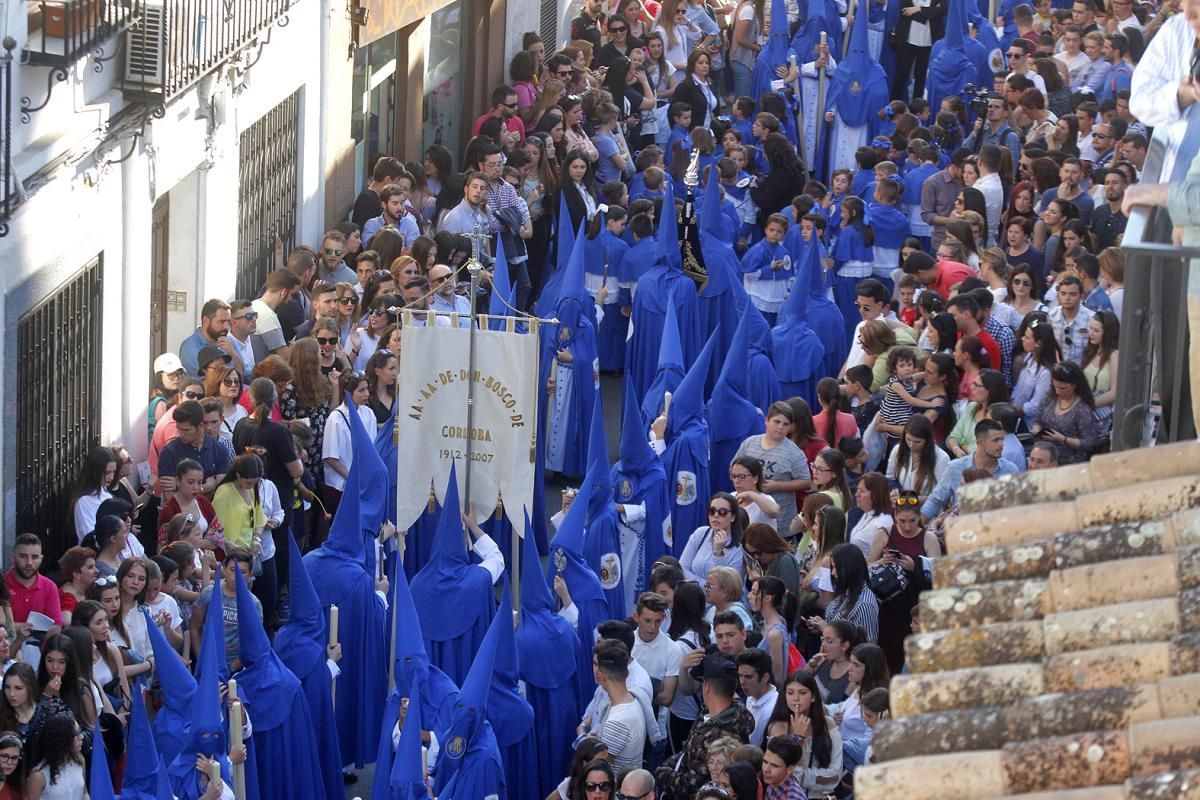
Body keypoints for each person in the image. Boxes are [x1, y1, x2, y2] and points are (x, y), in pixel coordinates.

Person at [659, 654, 755, 800]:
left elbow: (692, 786)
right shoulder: (709, 714)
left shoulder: (720, 734)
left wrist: (661, 773)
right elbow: (685, 753)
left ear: (707, 687)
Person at [733, 402, 812, 534]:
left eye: (785, 424)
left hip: (781, 521)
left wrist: (778, 486)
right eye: (777, 422)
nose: (780, 427)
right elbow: (733, 468)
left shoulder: (794, 452)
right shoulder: (749, 443)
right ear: (767, 421)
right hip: (749, 518)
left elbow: (806, 482)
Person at [921, 419, 1021, 521]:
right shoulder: (955, 467)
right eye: (996, 440)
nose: (1002, 445)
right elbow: (935, 500)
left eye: (1002, 439)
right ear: (981, 442)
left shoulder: (1011, 470)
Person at [805, 543, 878, 643]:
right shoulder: (846, 591)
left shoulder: (864, 604)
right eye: (832, 567)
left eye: (836, 568)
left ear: (849, 568)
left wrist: (826, 629)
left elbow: (866, 647)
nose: (833, 573)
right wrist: (820, 626)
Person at [1033, 362, 1102, 464]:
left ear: (1074, 385)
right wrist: (1037, 431)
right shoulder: (1050, 398)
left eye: (1063, 388)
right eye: (1055, 387)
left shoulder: (1082, 410)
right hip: (1045, 458)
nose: (1058, 391)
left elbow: (1089, 442)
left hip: (1069, 462)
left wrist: (1063, 439)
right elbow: (1037, 420)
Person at [679, 493, 745, 584]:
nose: (716, 515)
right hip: (693, 595)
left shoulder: (739, 549)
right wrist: (706, 586)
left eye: (722, 512)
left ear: (733, 517)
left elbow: (727, 587)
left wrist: (718, 553)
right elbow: (682, 568)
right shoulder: (700, 533)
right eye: (712, 511)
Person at [24, 713, 85, 800]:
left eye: (80, 732)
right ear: (62, 740)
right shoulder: (38, 776)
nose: (81, 737)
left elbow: (84, 793)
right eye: (76, 734)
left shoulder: (80, 760)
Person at [735, 649, 778, 745]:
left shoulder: (772, 709)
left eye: (748, 677)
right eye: (740, 676)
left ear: (764, 677)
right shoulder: (751, 696)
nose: (742, 682)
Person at [760, 734, 806, 799]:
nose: (766, 769)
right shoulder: (773, 782)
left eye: (774, 765)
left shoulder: (793, 797)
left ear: (790, 769)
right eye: (765, 761)